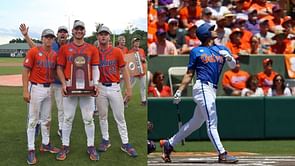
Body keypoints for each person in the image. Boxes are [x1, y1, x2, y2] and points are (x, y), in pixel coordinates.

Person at [160, 23, 238, 163]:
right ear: (205, 34)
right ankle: (222, 153)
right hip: (202, 86)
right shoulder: (197, 51)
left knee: (195, 123)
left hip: (212, 89)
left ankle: (169, 144)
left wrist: (230, 58)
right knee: (212, 121)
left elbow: (233, 66)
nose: (214, 31)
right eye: (211, 30)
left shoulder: (221, 49)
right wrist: (179, 90)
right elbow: (190, 73)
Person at [56, 20, 100, 161]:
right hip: (70, 85)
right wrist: (63, 84)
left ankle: (91, 146)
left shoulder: (92, 48)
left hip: (87, 86)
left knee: (88, 119)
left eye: (81, 29)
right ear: (73, 31)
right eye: (77, 29)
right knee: (67, 118)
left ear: (84, 31)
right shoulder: (65, 48)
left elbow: (95, 67)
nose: (79, 31)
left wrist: (96, 84)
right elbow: (59, 68)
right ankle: (65, 145)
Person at [19, 24, 69, 139]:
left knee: (60, 109)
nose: (62, 33)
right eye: (60, 31)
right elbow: (35, 49)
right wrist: (26, 36)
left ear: (67, 35)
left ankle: (59, 131)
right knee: (38, 112)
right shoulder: (52, 46)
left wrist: (66, 82)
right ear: (57, 35)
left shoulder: (69, 47)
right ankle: (35, 129)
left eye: (64, 32)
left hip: (59, 84)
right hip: (46, 83)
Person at [95, 26, 138, 157]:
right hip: (100, 86)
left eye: (105, 34)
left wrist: (129, 88)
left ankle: (125, 143)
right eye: (101, 34)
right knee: (102, 116)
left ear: (109, 36)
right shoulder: (94, 52)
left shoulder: (117, 51)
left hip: (114, 86)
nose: (103, 36)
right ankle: (105, 140)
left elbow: (124, 69)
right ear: (98, 36)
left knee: (120, 116)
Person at [22, 29, 60, 165]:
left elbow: (56, 72)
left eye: (51, 37)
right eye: (47, 37)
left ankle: (45, 143)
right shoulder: (33, 51)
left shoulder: (54, 55)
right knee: (33, 120)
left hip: (48, 89)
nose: (49, 39)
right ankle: (31, 149)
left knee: (46, 119)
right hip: (36, 88)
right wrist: (25, 91)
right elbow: (25, 70)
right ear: (42, 38)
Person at [128, 37, 147, 105]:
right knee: (130, 86)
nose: (137, 43)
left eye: (138, 41)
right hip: (134, 72)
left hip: (142, 71)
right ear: (133, 43)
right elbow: (129, 63)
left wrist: (143, 59)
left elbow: (144, 60)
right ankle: (125, 100)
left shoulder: (141, 50)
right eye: (136, 41)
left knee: (143, 86)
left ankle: (143, 101)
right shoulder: (130, 51)